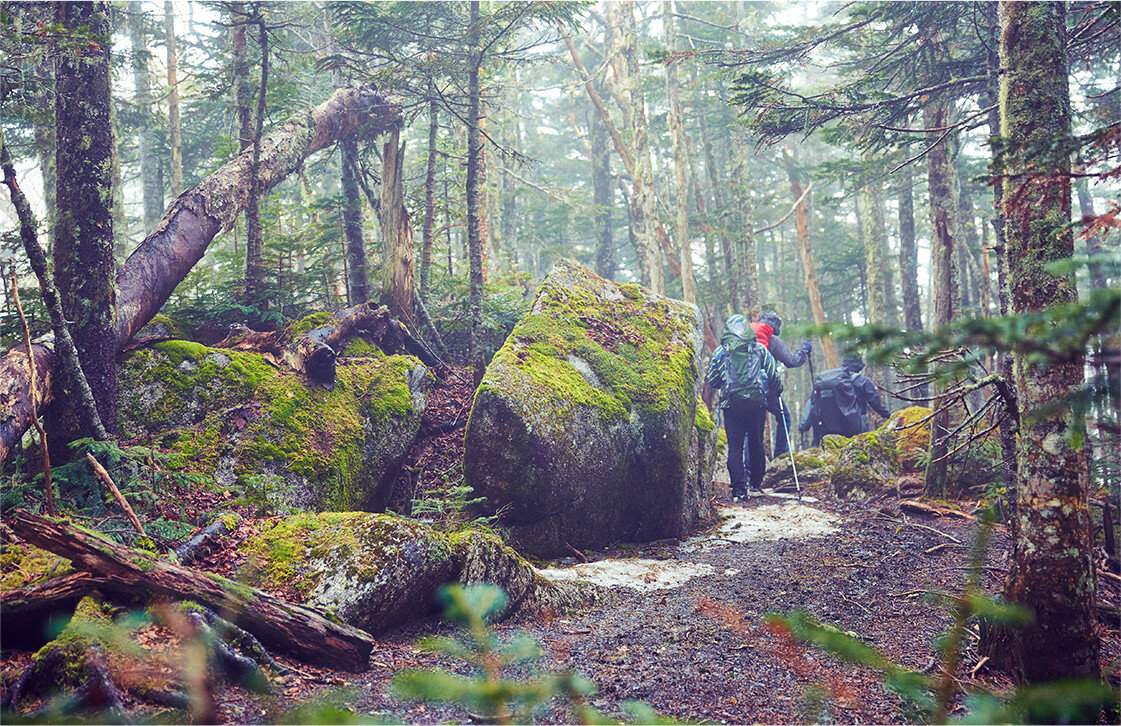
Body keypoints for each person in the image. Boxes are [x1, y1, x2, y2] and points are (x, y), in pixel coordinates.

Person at [706, 315, 779, 501]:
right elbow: (772, 373)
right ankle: (755, 483)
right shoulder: (759, 349)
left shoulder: (719, 353)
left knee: (735, 447)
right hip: (757, 405)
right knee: (756, 442)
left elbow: (713, 380)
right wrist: (776, 389)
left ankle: (739, 491)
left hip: (731, 406)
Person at [749, 312, 813, 457]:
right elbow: (792, 361)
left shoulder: (744, 337)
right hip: (768, 390)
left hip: (745, 389)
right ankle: (780, 454)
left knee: (751, 428)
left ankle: (747, 469)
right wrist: (804, 350)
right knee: (784, 417)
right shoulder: (772, 340)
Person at [799, 355, 890, 445]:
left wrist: (804, 425)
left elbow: (811, 403)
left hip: (827, 432)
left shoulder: (826, 381)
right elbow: (875, 403)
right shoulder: (861, 381)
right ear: (859, 365)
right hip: (854, 431)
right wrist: (890, 416)